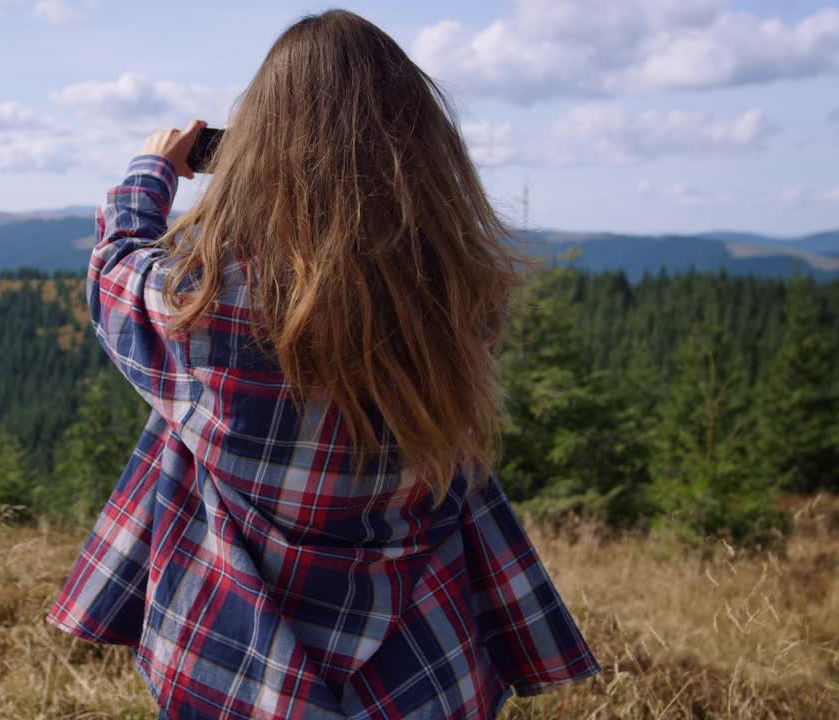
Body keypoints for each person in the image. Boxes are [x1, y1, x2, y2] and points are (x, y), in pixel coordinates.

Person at [45, 8, 599, 719]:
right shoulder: (464, 300)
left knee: (176, 422)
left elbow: (114, 267)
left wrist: (152, 170)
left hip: (236, 667)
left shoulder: (209, 306)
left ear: (261, 152)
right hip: (423, 667)